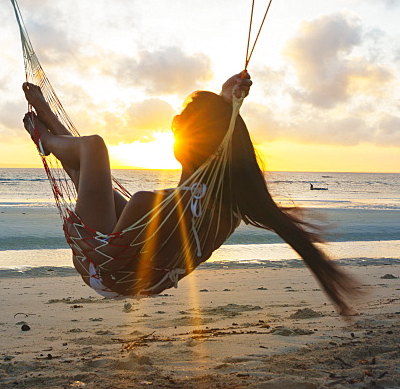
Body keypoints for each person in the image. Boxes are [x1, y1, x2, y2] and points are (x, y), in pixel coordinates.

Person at [22, 74, 361, 314]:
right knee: (98, 177)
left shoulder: (171, 203)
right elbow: (217, 147)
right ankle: (51, 128)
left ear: (200, 142)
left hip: (106, 266)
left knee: (95, 148)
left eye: (182, 121)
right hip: (129, 270)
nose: (174, 122)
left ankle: (45, 138)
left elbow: (96, 219)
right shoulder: (216, 203)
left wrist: (226, 108)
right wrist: (228, 104)